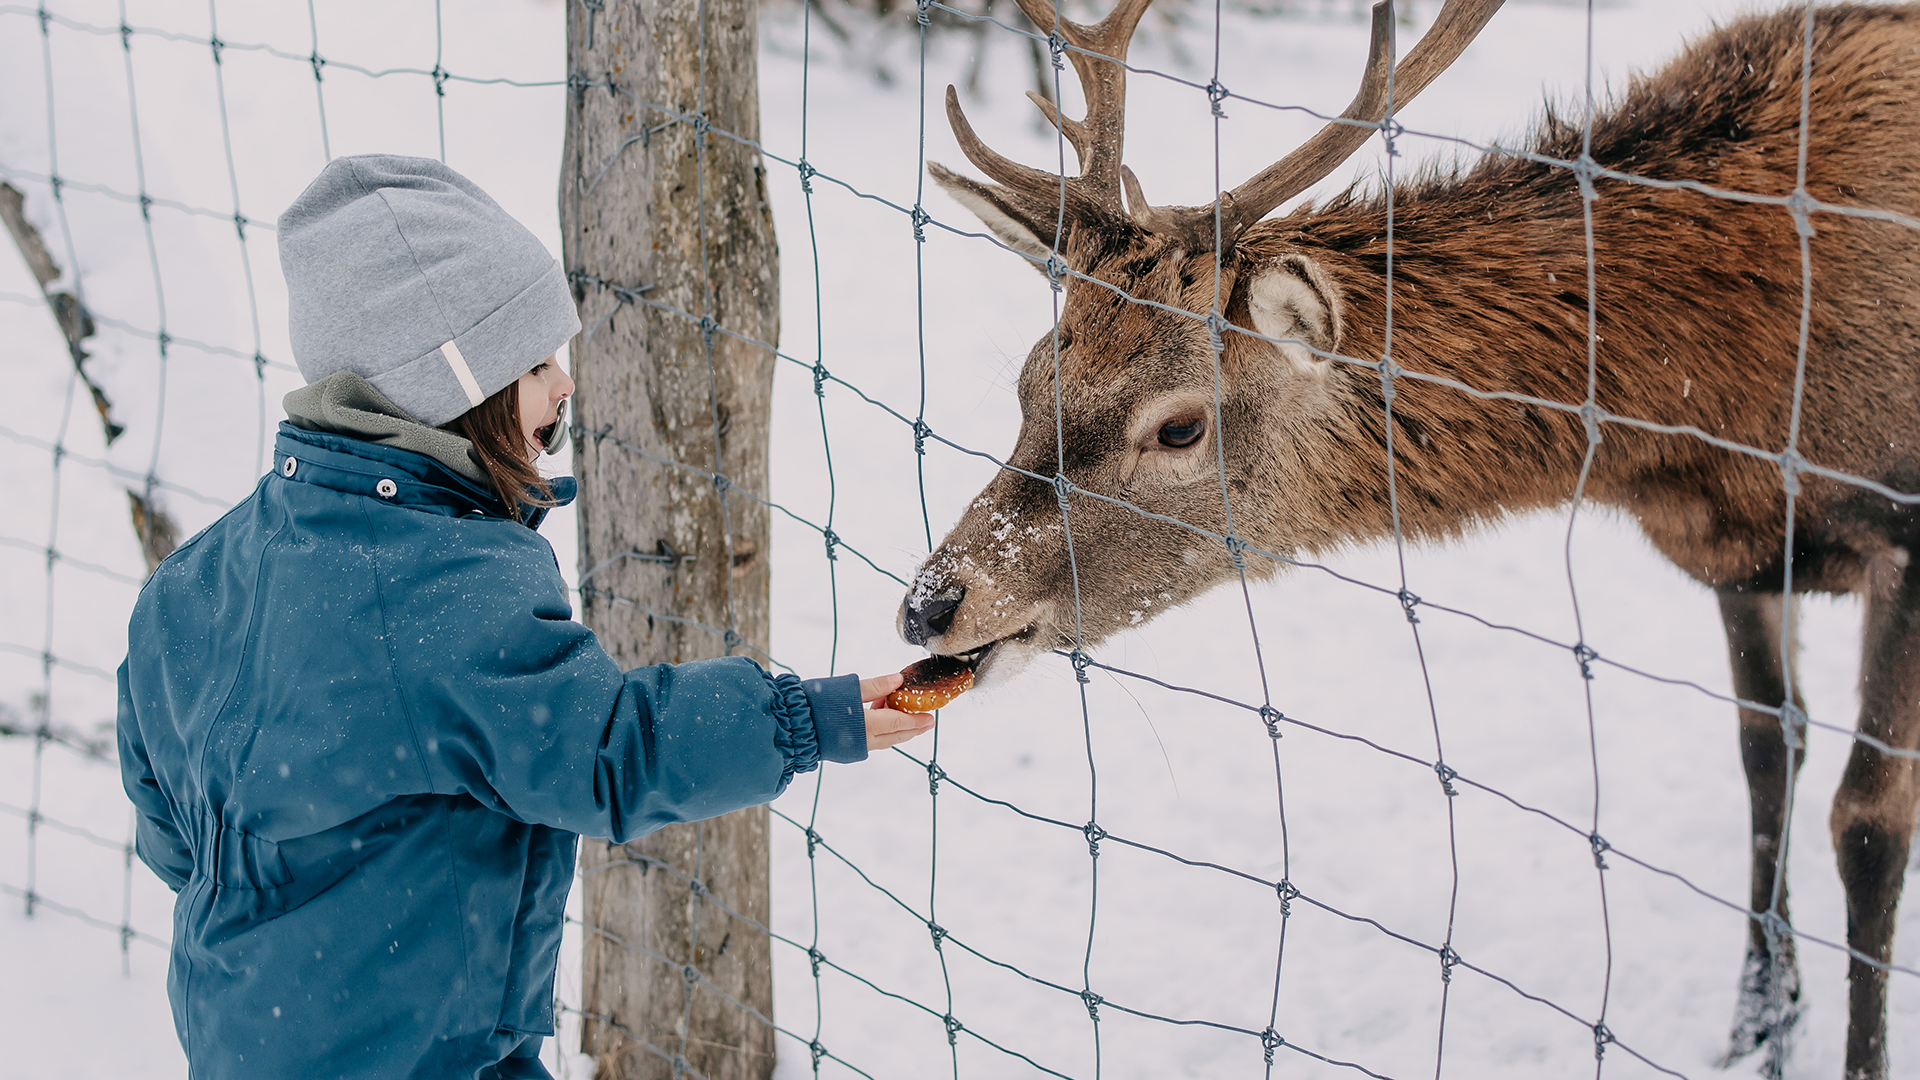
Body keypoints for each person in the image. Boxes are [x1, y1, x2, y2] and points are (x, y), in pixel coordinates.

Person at [116, 154, 932, 1080]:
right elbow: (604, 751)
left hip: (242, 1033)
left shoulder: (197, 577)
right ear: (451, 383)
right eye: (539, 361)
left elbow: (167, 825)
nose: (565, 385)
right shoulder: (442, 586)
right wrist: (797, 720)